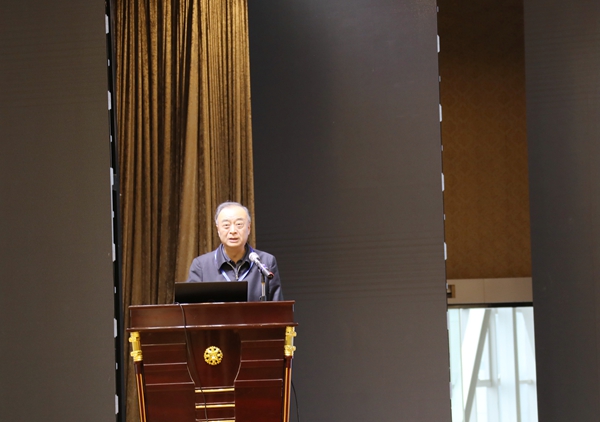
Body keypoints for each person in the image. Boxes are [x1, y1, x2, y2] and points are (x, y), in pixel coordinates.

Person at [185, 201, 283, 301]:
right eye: (226, 225)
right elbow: (189, 306)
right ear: (218, 229)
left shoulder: (266, 261)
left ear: (249, 228)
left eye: (239, 224)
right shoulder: (201, 266)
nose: (233, 231)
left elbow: (278, 306)